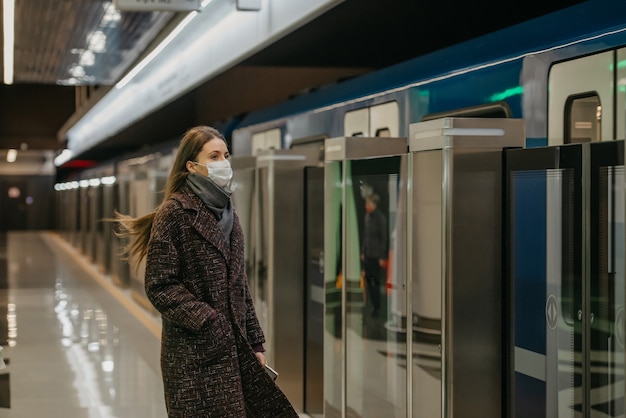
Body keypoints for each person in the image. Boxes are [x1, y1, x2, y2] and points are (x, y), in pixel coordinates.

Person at [114, 126, 298, 417]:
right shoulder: (174, 213)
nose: (223, 162)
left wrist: (255, 341)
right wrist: (208, 320)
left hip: (235, 351)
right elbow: (159, 285)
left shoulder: (230, 214)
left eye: (225, 155)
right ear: (192, 165)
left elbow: (239, 285)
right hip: (195, 354)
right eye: (214, 156)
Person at [360, 193, 388, 317]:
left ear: (374, 204)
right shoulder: (367, 217)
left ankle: (377, 307)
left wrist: (382, 256)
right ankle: (372, 305)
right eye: (366, 204)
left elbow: (383, 238)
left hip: (376, 255)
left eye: (369, 203)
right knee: (368, 281)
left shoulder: (380, 218)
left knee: (375, 282)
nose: (367, 206)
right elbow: (365, 236)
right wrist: (363, 251)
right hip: (368, 254)